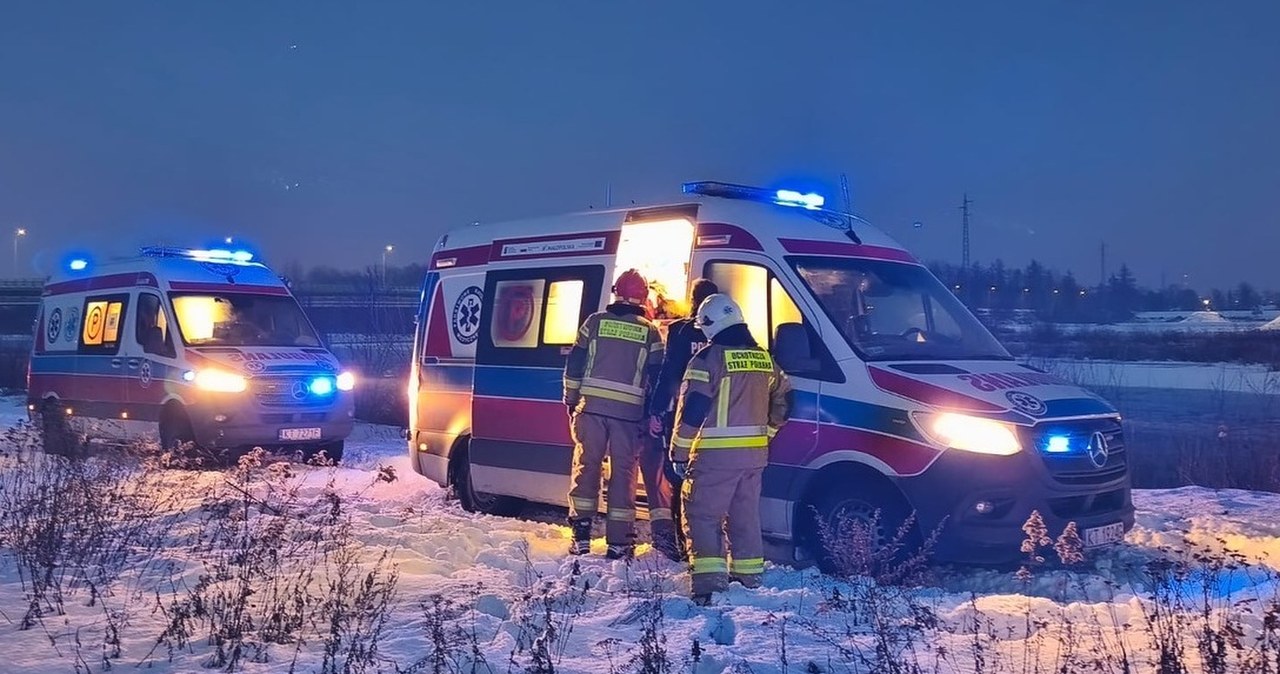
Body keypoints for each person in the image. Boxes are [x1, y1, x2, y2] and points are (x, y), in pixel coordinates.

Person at [669, 294, 792, 604]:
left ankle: (709, 588)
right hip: (754, 458)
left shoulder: (708, 360)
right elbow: (786, 402)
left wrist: (679, 453)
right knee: (745, 517)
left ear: (710, 325)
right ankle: (749, 580)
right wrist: (767, 434)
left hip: (714, 458)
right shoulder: (765, 359)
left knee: (702, 515)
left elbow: (693, 410)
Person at [563, 269, 665, 559]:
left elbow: (574, 365)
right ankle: (619, 542)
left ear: (616, 293)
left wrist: (571, 399)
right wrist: (652, 413)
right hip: (628, 416)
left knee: (587, 467)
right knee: (623, 473)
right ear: (643, 298)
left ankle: (581, 535)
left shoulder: (593, 323)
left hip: (591, 409)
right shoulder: (650, 331)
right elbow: (657, 375)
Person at [644, 279, 719, 561]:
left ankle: (680, 543)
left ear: (693, 301)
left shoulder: (679, 331)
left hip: (683, 417)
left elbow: (668, 375)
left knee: (677, 479)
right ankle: (707, 545)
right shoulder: (724, 335)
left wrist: (656, 412)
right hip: (717, 418)